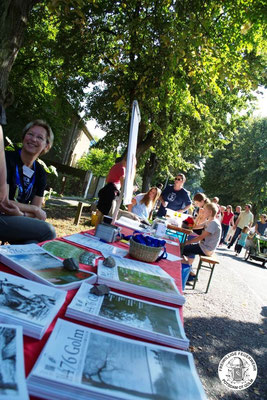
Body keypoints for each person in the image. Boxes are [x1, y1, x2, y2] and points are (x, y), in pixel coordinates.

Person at [0, 120, 56, 244]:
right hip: (2, 216)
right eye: (30, 134)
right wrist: (33, 211)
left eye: (40, 137)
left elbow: (38, 210)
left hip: (17, 218)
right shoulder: (7, 158)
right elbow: (4, 202)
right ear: (24, 137)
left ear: (46, 146)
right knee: (48, 231)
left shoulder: (40, 172)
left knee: (31, 243)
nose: (33, 139)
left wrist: (21, 214)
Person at [182, 203, 221, 280]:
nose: (203, 212)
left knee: (181, 249)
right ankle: (189, 271)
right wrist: (199, 216)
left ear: (210, 212)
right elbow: (195, 227)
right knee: (185, 249)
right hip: (203, 246)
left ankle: (190, 274)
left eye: (205, 211)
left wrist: (186, 242)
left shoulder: (213, 223)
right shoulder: (209, 221)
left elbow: (201, 237)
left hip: (206, 249)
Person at [96, 156, 127, 223]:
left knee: (101, 212)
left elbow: (107, 179)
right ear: (125, 160)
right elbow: (122, 183)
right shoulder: (122, 169)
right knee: (109, 214)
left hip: (106, 189)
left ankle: (96, 230)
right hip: (112, 192)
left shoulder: (114, 166)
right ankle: (104, 230)